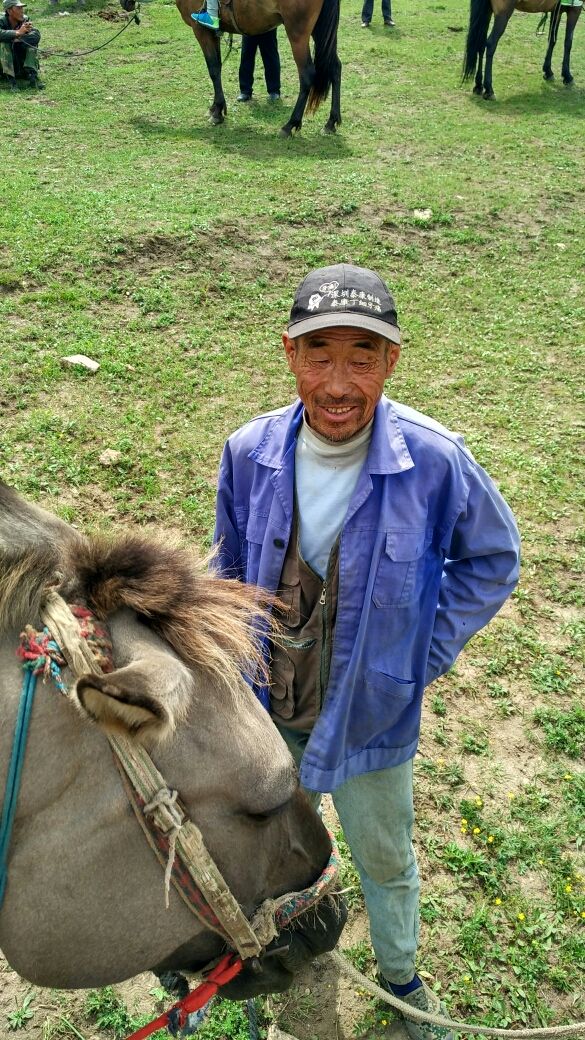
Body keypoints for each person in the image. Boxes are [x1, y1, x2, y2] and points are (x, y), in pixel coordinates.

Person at [213, 262, 520, 1040]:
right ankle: (256, 968)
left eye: (362, 355)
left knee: (386, 861)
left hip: (373, 716)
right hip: (267, 708)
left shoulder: (435, 459)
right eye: (320, 354)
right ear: (289, 354)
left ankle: (401, 978)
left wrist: (420, 652)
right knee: (265, 859)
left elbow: (492, 559)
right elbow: (223, 569)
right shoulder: (249, 452)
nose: (339, 381)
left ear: (391, 361)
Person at [0, 0, 43, 89]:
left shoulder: (25, 19)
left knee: (31, 45)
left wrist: (18, 39)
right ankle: (11, 80)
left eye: (22, 8)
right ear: (9, 11)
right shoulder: (1, 21)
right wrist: (17, 33)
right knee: (4, 44)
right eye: (18, 8)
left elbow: (36, 35)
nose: (22, 10)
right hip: (3, 66)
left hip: (20, 62)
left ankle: (32, 76)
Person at [237, 29, 281, 103]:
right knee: (246, 56)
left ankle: (274, 90)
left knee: (271, 57)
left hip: (268, 25)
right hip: (249, 26)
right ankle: (245, 91)